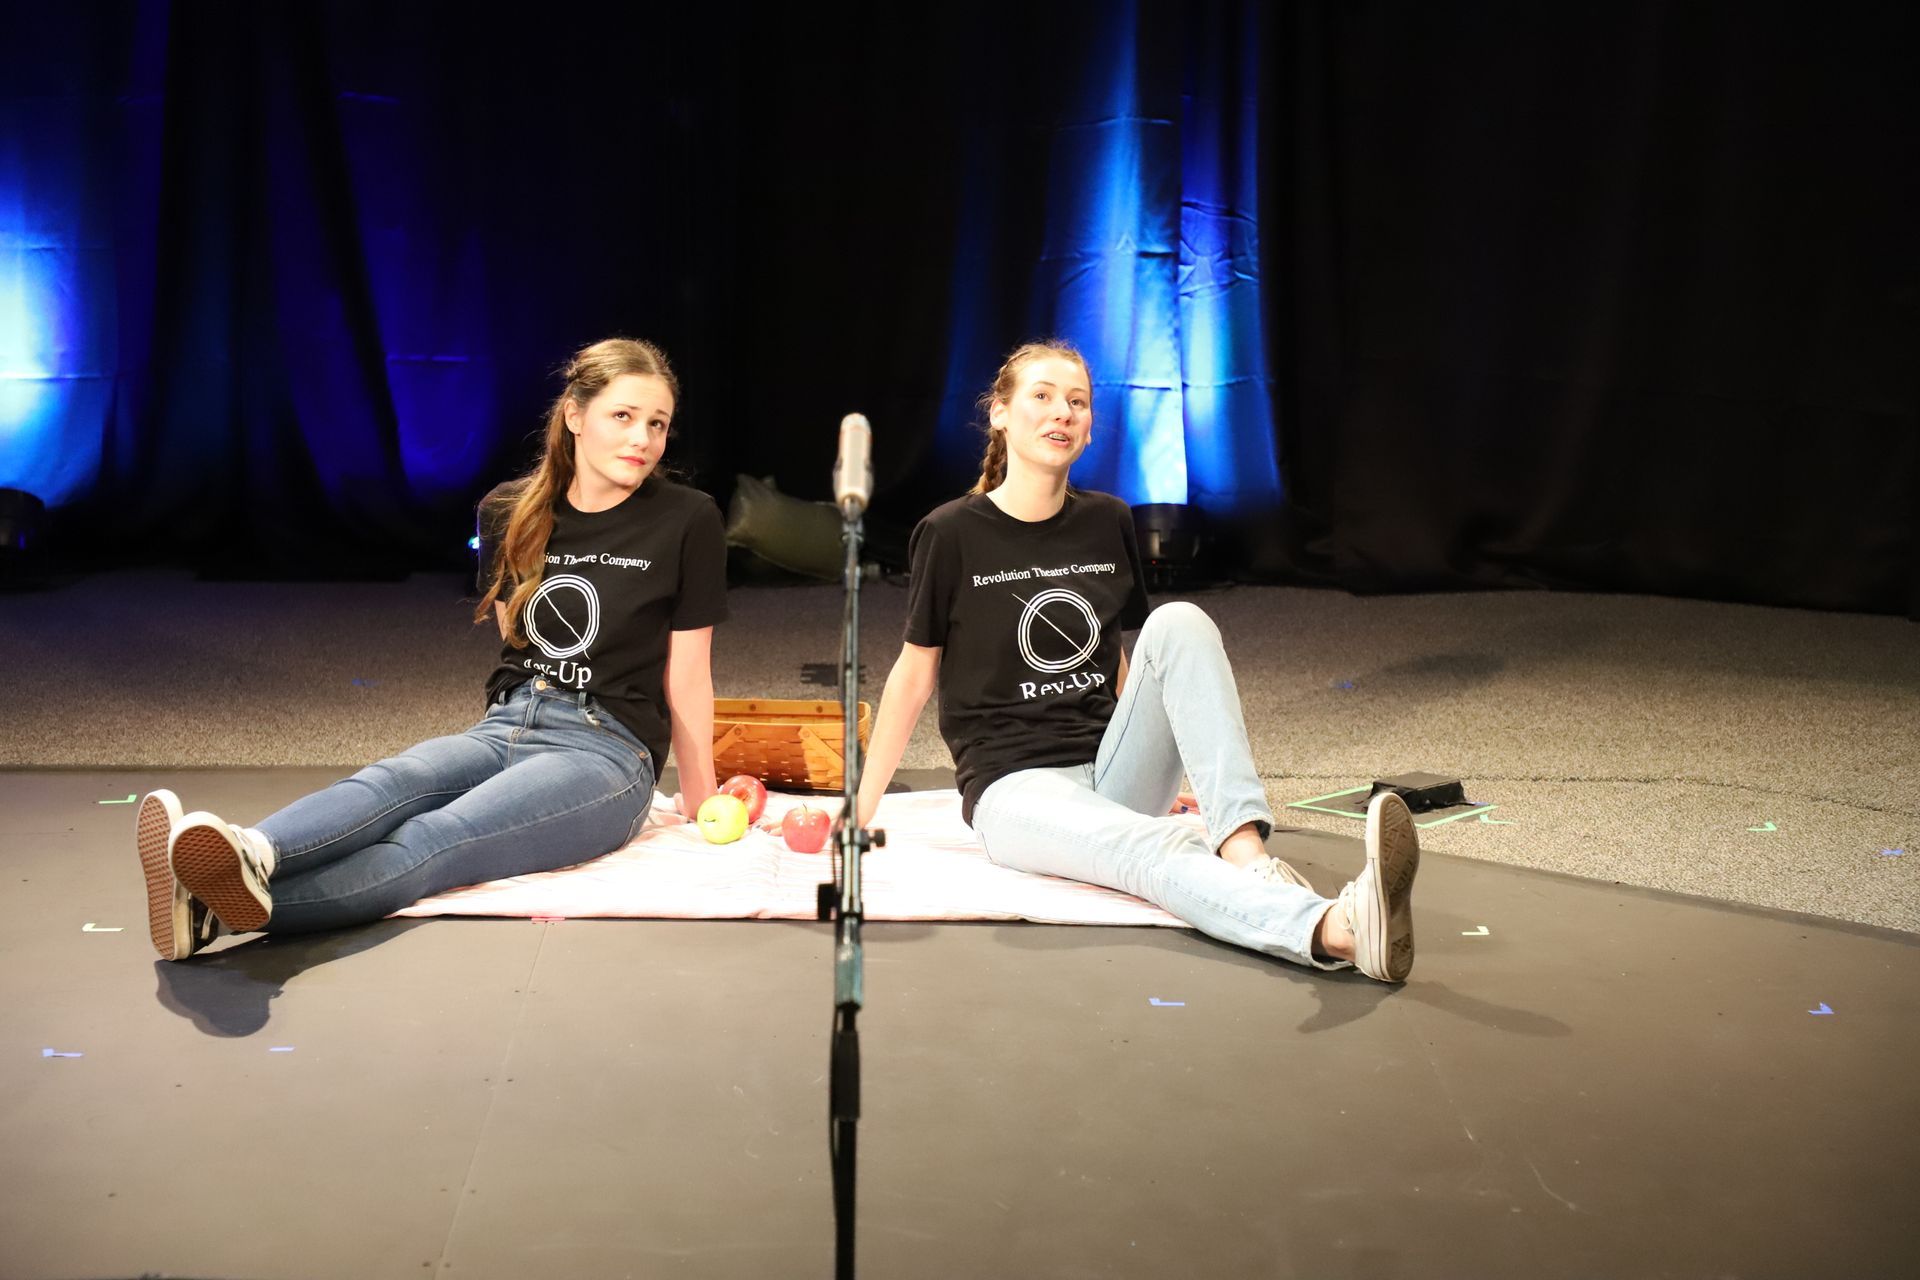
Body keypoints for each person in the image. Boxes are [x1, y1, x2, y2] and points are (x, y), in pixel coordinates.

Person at [135, 337, 728, 960]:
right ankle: (252, 850)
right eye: (623, 416)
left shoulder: (689, 519)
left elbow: (688, 676)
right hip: (507, 724)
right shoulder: (509, 509)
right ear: (575, 417)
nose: (642, 439)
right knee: (391, 782)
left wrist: (700, 800)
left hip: (605, 750)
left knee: (437, 837)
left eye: (657, 424)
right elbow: (517, 644)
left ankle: (215, 910)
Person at [854, 340, 1419, 981]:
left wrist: (1156, 759)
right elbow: (914, 673)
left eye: (1077, 402)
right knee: (1155, 847)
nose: (1061, 412)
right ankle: (1335, 930)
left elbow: (1125, 660)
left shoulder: (1108, 520)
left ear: (1090, 427)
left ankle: (1245, 853)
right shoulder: (950, 532)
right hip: (1015, 789)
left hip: (1111, 768)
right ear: (1001, 414)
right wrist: (862, 805)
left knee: (1179, 621)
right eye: (1040, 396)